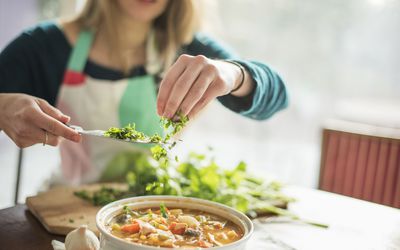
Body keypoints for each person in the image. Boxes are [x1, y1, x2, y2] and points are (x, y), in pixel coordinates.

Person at [0, 0, 288, 184]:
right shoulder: (45, 46)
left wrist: (235, 74)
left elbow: (279, 97)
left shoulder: (189, 47)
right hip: (68, 207)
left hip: (156, 210)